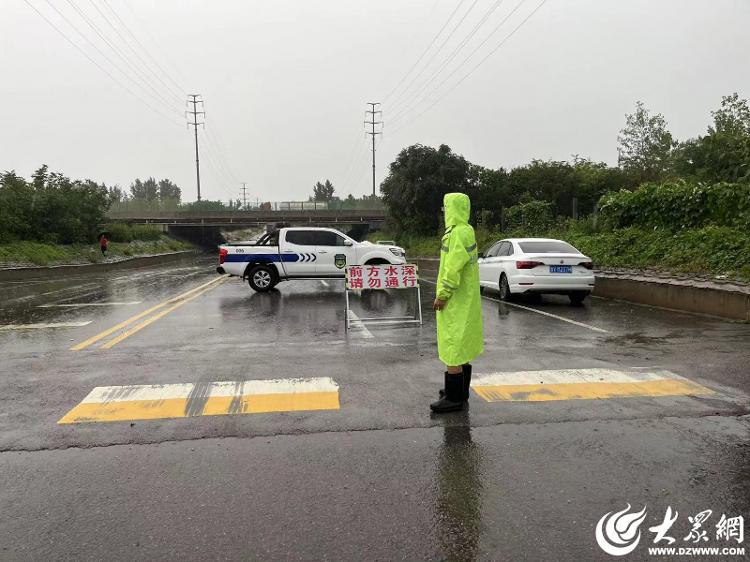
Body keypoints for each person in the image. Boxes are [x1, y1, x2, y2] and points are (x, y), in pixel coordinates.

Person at [430, 192, 483, 413]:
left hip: (455, 300)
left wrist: (442, 295)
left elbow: (452, 269)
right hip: (466, 299)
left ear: (451, 209)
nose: (444, 212)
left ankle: (454, 398)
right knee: (462, 344)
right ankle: (460, 391)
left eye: (445, 208)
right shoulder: (466, 231)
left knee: (452, 345)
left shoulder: (456, 234)